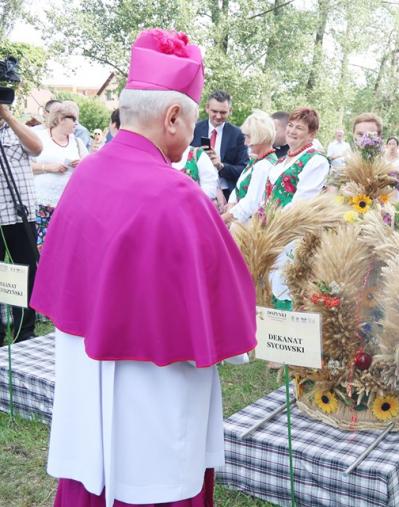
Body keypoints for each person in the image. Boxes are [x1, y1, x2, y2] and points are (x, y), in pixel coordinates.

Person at [30, 29, 257, 507]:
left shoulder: (86, 173)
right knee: (155, 475)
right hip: (154, 396)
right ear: (172, 117)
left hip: (86, 380)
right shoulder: (179, 196)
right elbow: (224, 307)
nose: (193, 136)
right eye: (192, 124)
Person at [266, 107, 330, 309]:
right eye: (291, 125)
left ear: (311, 134)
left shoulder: (316, 160)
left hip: (293, 234)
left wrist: (274, 223)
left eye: (299, 128)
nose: (292, 131)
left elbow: (302, 203)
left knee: (284, 284)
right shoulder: (281, 160)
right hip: (271, 231)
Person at [0, 104, 42, 343]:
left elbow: (37, 148)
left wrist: (8, 117)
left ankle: (24, 331)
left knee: (26, 272)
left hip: (20, 216)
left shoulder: (17, 130)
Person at [30, 101, 88, 250]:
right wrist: (49, 167)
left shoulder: (77, 142)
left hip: (68, 204)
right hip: (41, 202)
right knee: (41, 247)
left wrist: (81, 165)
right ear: (61, 119)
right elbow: (25, 166)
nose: (76, 123)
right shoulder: (39, 138)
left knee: (63, 246)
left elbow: (89, 169)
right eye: (73, 119)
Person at [223, 109, 278, 224]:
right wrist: (231, 204)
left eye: (248, 137)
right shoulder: (257, 160)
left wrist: (222, 219)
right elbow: (239, 187)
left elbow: (251, 203)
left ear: (260, 137)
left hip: (247, 226)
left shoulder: (264, 166)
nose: (245, 142)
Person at [191, 90, 248, 199]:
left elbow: (244, 169)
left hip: (227, 193)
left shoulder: (238, 134)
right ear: (207, 108)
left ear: (230, 111)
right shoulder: (194, 129)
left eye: (223, 112)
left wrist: (221, 166)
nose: (218, 116)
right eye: (214, 111)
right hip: (197, 190)